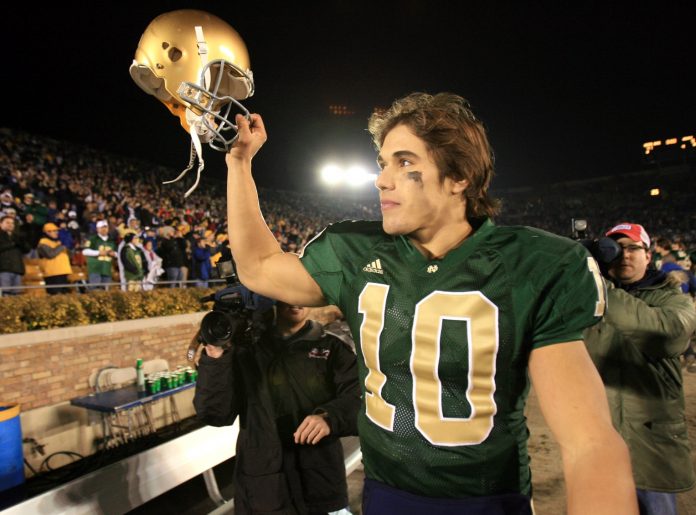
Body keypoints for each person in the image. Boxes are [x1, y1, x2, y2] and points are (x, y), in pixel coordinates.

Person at [224, 92, 637, 513]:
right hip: (387, 494)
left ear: (459, 177)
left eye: (405, 163)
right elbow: (257, 267)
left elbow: (589, 442)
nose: (382, 179)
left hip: (489, 499)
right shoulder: (355, 250)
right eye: (383, 163)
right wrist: (239, 164)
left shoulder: (533, 264)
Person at [193, 294, 360, 514]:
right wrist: (215, 357)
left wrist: (329, 417)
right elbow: (214, 414)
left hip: (321, 488)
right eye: (284, 291)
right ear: (272, 298)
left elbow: (362, 400)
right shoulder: (246, 350)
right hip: (262, 492)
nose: (295, 298)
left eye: (298, 290)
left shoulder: (332, 347)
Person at [584, 222, 696, 515]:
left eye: (634, 247)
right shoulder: (585, 297)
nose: (625, 255)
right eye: (616, 248)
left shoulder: (672, 296)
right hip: (601, 440)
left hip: (651, 443)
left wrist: (596, 285)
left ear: (649, 256)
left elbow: (668, 336)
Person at [37, 222, 72, 294]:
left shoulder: (57, 242)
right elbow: (50, 254)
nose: (57, 233)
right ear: (47, 232)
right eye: (54, 231)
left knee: (65, 296)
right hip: (52, 274)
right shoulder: (43, 243)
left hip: (63, 272)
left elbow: (69, 255)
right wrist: (62, 246)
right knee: (55, 295)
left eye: (57, 231)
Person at [0, 214, 30, 295]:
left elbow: (27, 250)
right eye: (7, 222)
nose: (10, 225)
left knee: (17, 295)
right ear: (1, 224)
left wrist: (22, 241)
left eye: (12, 223)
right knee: (5, 293)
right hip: (4, 269)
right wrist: (13, 244)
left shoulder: (17, 236)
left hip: (17, 269)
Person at [82, 220, 117, 290]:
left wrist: (114, 254)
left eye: (105, 227)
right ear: (97, 229)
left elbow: (117, 253)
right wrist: (99, 253)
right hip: (95, 268)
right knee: (95, 290)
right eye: (101, 227)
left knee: (106, 291)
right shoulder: (93, 239)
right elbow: (85, 251)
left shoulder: (112, 240)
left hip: (107, 268)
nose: (104, 229)